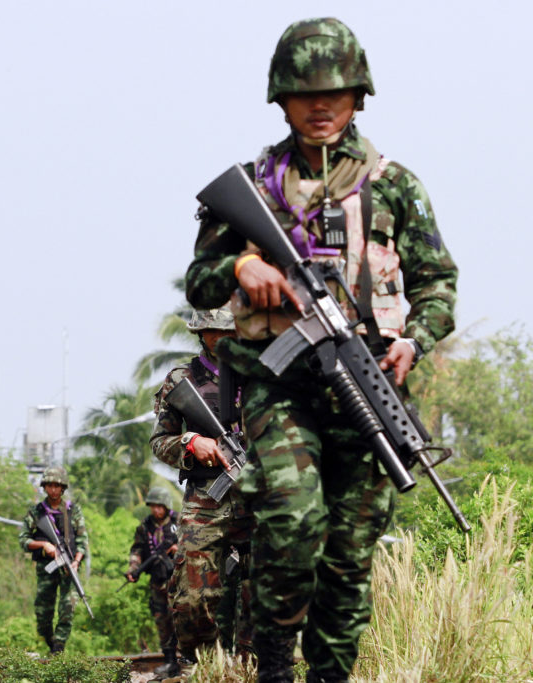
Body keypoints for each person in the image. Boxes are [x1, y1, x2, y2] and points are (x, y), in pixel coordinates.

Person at [186, 18, 458, 682]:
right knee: (293, 514)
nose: (321, 104)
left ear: (359, 94)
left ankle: (330, 673)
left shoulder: (394, 184)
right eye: (305, 92)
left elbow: (438, 285)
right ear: (281, 97)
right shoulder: (254, 185)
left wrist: (412, 343)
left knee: (347, 557)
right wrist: (240, 270)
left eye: (335, 90)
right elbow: (197, 280)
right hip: (281, 389)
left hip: (368, 388)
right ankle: (275, 657)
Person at [150, 306, 253, 667]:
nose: (221, 338)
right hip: (207, 498)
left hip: (260, 497)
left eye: (229, 331)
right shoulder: (183, 381)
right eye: (213, 331)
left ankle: (252, 666)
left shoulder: (261, 374)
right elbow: (160, 441)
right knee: (192, 595)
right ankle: (205, 665)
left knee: (266, 590)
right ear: (200, 333)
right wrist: (191, 443)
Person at [18, 465, 89, 654]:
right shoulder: (36, 512)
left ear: (63, 487)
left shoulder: (73, 510)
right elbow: (23, 540)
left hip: (69, 568)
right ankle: (51, 642)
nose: (53, 490)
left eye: (57, 486)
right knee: (43, 613)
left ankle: (58, 647)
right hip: (46, 568)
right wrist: (43, 546)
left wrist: (76, 561)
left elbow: (82, 541)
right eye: (50, 486)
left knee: (68, 607)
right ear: (45, 487)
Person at [125, 486, 180, 678]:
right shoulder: (144, 526)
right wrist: (133, 569)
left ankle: (188, 658)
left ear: (166, 506)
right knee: (161, 620)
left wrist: (177, 548)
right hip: (157, 580)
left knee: (181, 618)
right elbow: (137, 551)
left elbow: (193, 543)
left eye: (160, 506)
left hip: (178, 580)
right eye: (153, 506)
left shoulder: (178, 522)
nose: (156, 510)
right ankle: (170, 661)